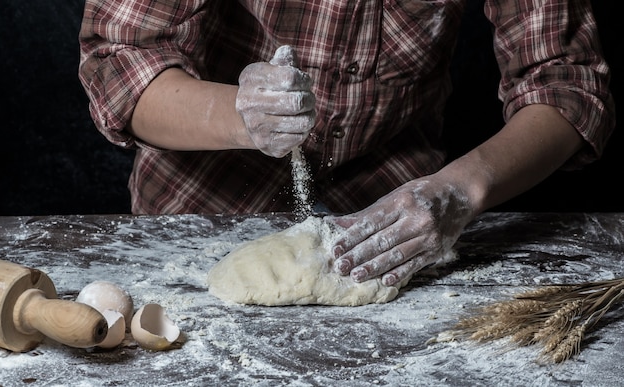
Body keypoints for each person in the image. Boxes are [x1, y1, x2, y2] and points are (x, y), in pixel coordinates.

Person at [78, 1, 615, 287]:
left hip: (396, 228)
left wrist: (459, 190)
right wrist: (238, 113)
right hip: (197, 222)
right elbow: (118, 60)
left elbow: (566, 86)